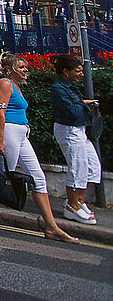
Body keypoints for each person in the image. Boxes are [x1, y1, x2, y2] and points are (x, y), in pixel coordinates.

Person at [0, 54, 79, 243]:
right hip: (8, 132)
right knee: (0, 176)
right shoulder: (4, 84)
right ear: (9, 69)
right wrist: (0, 141)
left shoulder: (16, 86)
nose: (25, 70)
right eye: (21, 67)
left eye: (25, 67)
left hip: (20, 133)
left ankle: (51, 227)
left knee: (38, 178)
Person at [51, 55, 101, 225]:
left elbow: (77, 105)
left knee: (92, 166)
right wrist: (87, 106)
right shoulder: (58, 88)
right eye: (78, 71)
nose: (81, 74)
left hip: (79, 129)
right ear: (66, 71)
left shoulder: (71, 86)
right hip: (69, 130)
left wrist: (85, 104)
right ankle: (72, 205)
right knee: (77, 167)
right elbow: (72, 111)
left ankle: (79, 200)